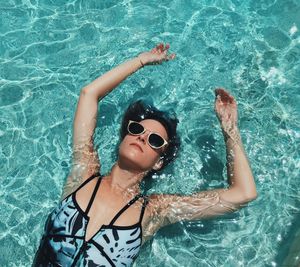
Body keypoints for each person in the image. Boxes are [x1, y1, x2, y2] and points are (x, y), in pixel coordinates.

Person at [33, 43, 257, 267]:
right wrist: (140, 61)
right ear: (124, 138)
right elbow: (89, 94)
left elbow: (243, 193)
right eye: (137, 129)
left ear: (159, 162)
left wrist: (230, 130)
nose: (141, 137)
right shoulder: (84, 174)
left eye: (155, 140)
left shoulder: (154, 210)